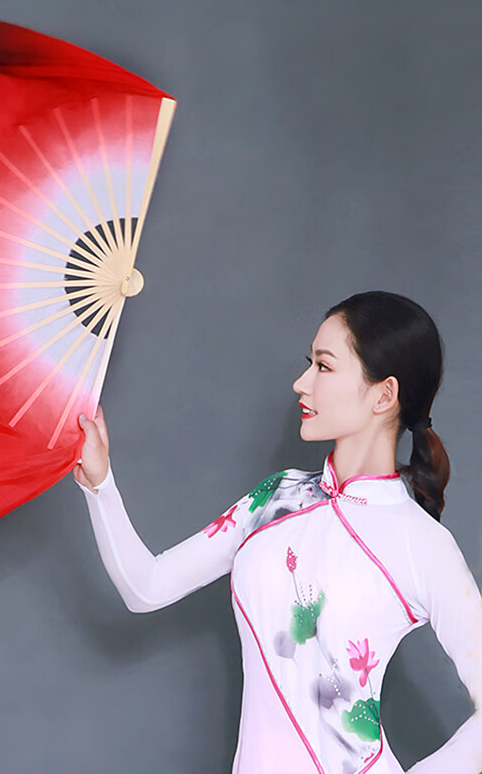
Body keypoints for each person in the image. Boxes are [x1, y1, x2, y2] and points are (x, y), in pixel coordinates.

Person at [73, 291, 482, 774]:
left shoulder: (421, 544)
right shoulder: (275, 499)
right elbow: (146, 587)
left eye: (324, 367)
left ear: (383, 395)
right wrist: (100, 483)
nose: (301, 383)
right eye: (309, 364)